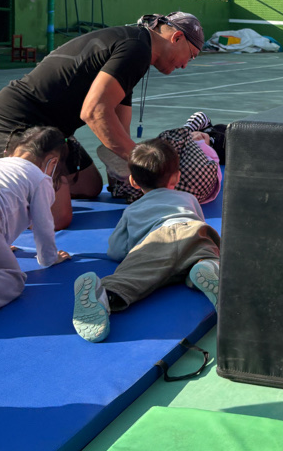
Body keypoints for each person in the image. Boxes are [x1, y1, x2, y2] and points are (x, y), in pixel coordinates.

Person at [0, 11, 204, 229]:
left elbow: (120, 126)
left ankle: (38, 186)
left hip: (53, 131)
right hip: (18, 121)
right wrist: (147, 167)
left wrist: (122, 174)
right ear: (177, 37)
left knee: (90, 187)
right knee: (58, 219)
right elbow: (95, 112)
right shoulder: (137, 49)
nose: (186, 64)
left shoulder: (137, 46)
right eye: (191, 55)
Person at [71, 138, 220, 343]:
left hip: (159, 240)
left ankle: (105, 293)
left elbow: (116, 250)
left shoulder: (133, 210)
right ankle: (208, 266)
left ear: (133, 181)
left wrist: (134, 252)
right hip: (193, 230)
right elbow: (199, 221)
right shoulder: (189, 198)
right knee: (205, 254)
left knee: (135, 277)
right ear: (177, 177)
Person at [0, 127, 70, 328]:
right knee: (12, 278)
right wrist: (49, 258)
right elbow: (43, 225)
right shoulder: (40, 178)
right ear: (52, 162)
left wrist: (0, 245)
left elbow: (3, 204)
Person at [98, 111, 222, 205]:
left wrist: (188, 131)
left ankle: (126, 178)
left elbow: (200, 116)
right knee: (149, 177)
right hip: (197, 191)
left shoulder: (199, 143)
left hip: (196, 173)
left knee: (163, 147)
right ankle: (121, 184)